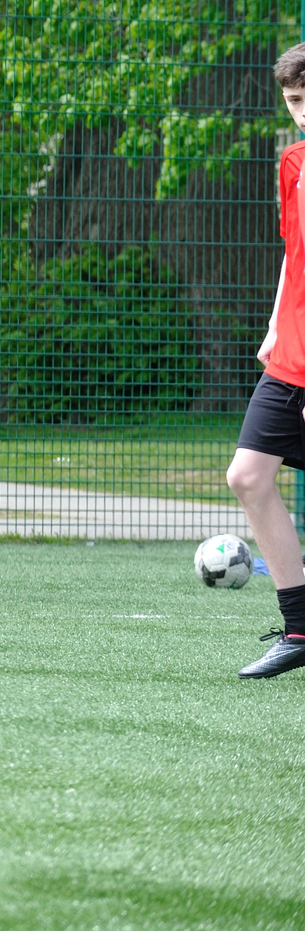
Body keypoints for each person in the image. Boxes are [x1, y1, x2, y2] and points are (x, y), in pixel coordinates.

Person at [221, 43, 305, 679]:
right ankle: (300, 627)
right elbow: (291, 253)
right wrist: (276, 324)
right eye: (294, 102)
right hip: (291, 357)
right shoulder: (293, 164)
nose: (301, 114)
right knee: (248, 476)